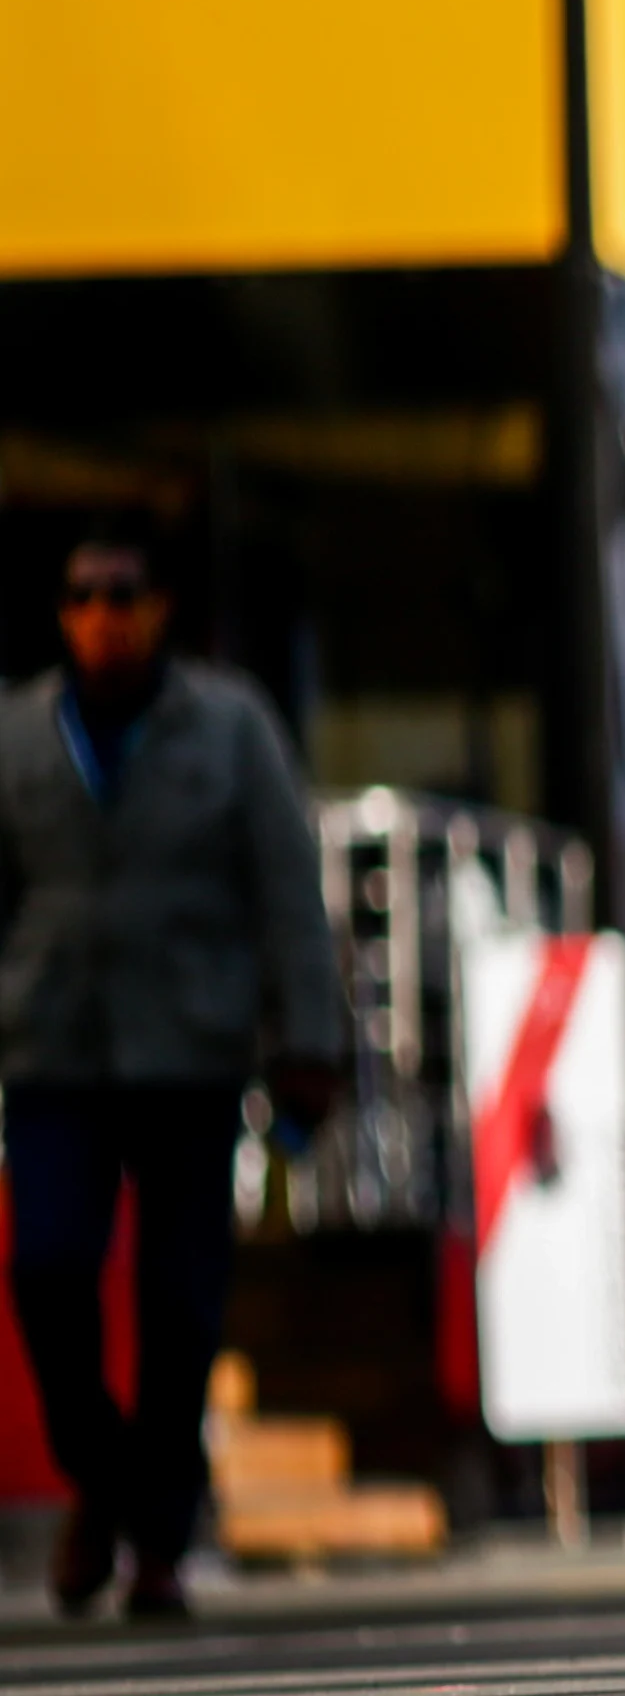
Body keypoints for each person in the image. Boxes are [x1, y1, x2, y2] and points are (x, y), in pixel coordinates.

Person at [0, 522, 344, 1619]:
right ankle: (104, 1476)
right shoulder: (16, 735)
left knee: (180, 1305)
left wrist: (308, 1045)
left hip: (189, 1051)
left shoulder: (230, 728)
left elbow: (289, 891)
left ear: (160, 609)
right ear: (60, 613)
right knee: (46, 1270)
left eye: (125, 592)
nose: (103, 612)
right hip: (54, 1047)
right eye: (82, 593)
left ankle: (158, 1536)